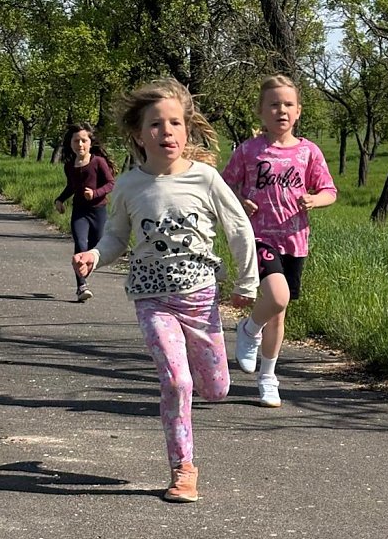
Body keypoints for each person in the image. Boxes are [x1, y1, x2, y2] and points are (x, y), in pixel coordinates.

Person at [72, 78, 258, 503]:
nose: (167, 131)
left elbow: (239, 231)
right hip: (152, 299)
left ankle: (214, 374)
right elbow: (117, 236)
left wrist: (247, 283)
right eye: (156, 124)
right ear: (139, 134)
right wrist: (95, 257)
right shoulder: (129, 186)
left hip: (200, 297)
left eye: (175, 123)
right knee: (176, 382)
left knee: (215, 388)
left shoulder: (206, 179)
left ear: (187, 129)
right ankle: (183, 469)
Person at [221, 74, 337, 407]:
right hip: (258, 237)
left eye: (288, 104)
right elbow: (224, 186)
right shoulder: (248, 151)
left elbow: (329, 190)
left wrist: (315, 200)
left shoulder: (309, 152)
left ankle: (268, 376)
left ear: (298, 111)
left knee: (279, 312)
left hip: (295, 240)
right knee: (278, 296)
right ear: (261, 111)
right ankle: (248, 330)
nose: (281, 111)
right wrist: (240, 201)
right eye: (273, 105)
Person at [54, 123, 116, 302]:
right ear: (70, 143)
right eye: (76, 141)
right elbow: (71, 187)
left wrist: (95, 194)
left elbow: (111, 183)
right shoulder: (69, 166)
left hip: (98, 211)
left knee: (95, 246)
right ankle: (81, 286)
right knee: (80, 244)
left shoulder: (98, 162)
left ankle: (85, 272)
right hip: (80, 212)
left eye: (83, 140)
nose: (79, 144)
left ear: (90, 142)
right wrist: (59, 199)